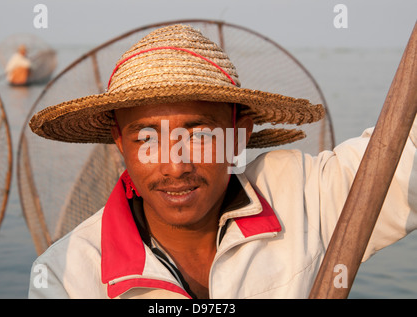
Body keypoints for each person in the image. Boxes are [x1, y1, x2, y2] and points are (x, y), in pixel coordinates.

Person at [28, 24, 417, 299]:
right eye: (147, 138)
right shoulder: (67, 276)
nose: (175, 167)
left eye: (199, 135)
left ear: (239, 135)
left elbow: (404, 155)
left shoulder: (304, 193)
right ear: (120, 143)